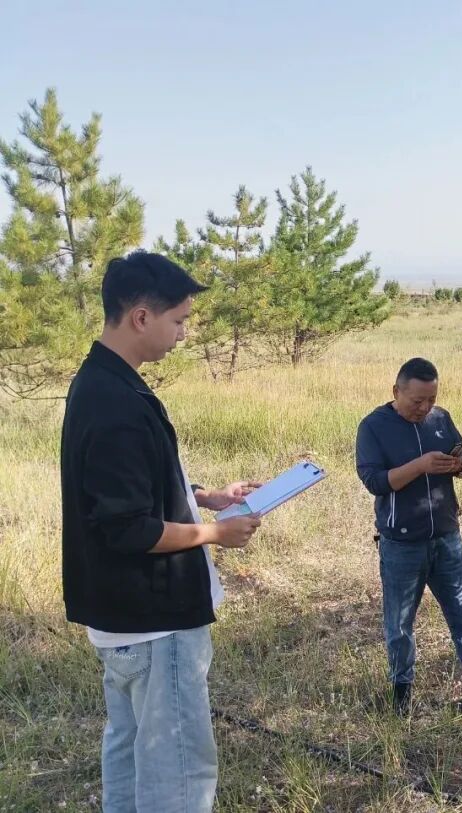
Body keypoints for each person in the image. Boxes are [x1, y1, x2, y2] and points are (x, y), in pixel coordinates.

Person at [60, 251, 262, 812]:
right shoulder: (116, 404)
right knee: (177, 773)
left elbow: (124, 486)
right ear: (141, 317)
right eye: (178, 320)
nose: (183, 334)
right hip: (155, 622)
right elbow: (129, 527)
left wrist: (203, 496)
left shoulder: (102, 382)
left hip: (123, 619)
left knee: (130, 753)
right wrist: (215, 533)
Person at [355, 357, 462, 716]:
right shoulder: (373, 426)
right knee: (400, 624)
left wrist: (460, 466)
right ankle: (401, 698)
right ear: (396, 391)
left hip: (447, 538)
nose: (425, 408)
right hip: (401, 544)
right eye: (417, 401)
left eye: (431, 399)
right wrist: (420, 466)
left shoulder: (441, 419)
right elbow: (375, 482)